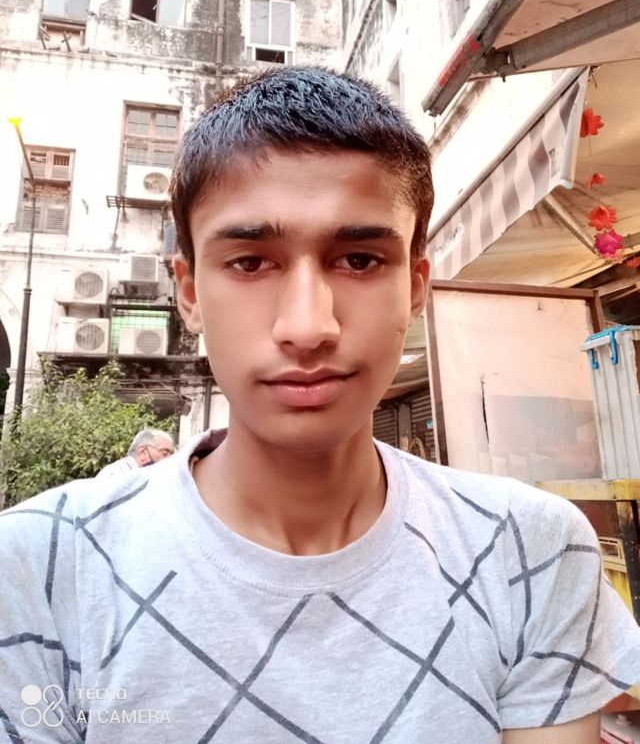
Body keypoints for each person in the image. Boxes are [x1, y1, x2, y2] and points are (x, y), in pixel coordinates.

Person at [0, 67, 639, 743]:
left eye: (359, 260)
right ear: (188, 291)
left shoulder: (529, 551)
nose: (308, 327)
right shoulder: (40, 566)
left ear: (415, 285)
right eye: (250, 262)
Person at [95, 428, 175, 479]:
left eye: (172, 455)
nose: (171, 459)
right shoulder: (116, 475)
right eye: (165, 454)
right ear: (143, 452)